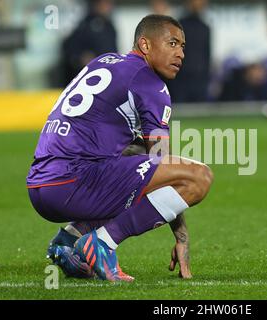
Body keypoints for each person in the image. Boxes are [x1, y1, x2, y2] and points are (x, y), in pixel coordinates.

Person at [27, 14, 213, 282]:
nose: (180, 53)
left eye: (182, 46)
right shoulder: (150, 83)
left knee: (135, 156)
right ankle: (103, 243)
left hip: (40, 185)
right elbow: (163, 164)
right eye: (172, 43)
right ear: (145, 44)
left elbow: (144, 159)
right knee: (199, 177)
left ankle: (68, 240)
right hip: (74, 182)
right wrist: (181, 235)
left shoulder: (103, 61)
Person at [60, 0, 118, 86]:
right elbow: (69, 48)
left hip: (108, 73)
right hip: (89, 77)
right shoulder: (85, 25)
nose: (108, 7)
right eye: (105, 3)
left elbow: (113, 49)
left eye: (110, 3)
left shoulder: (109, 26)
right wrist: (80, 58)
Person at [168, 0, 211, 102]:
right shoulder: (178, 26)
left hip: (200, 81)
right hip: (181, 80)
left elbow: (207, 56)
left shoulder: (205, 28)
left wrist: (206, 79)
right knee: (179, 115)